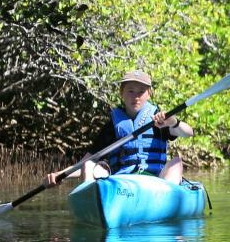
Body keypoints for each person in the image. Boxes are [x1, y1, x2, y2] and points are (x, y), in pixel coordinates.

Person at [47, 70, 194, 187]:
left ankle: (167, 203)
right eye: (130, 91)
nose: (135, 97)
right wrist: (59, 175)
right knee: (90, 165)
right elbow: (85, 161)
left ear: (149, 94)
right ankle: (93, 199)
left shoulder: (160, 119)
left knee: (176, 162)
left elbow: (189, 132)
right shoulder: (113, 125)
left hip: (155, 184)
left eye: (141, 91)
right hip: (122, 185)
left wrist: (173, 122)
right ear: (121, 93)